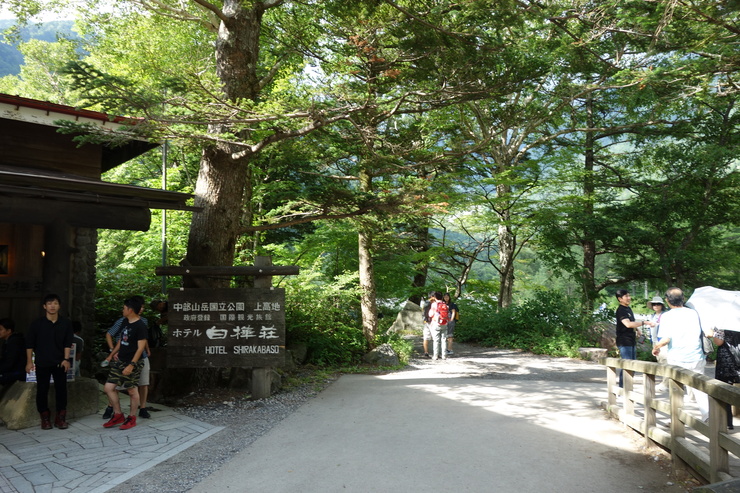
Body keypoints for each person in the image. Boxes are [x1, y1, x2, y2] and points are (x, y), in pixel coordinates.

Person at [651, 287, 709, 422]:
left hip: (677, 358)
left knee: (676, 389)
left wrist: (656, 347)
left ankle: (676, 419)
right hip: (696, 357)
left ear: (667, 300)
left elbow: (666, 339)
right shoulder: (694, 313)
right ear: (683, 299)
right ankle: (708, 416)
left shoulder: (666, 316)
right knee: (699, 388)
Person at [25, 294, 74, 430]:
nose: (52, 306)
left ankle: (60, 417)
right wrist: (29, 362)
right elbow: (29, 344)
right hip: (42, 362)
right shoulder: (37, 324)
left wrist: (66, 359)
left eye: (55, 303)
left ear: (59, 306)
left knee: (61, 389)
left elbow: (67, 343)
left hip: (60, 362)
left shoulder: (65, 323)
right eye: (49, 303)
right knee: (42, 389)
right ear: (44, 306)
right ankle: (45, 417)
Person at [103, 295, 152, 419]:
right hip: (122, 359)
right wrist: (111, 354)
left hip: (135, 360)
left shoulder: (141, 323)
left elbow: (141, 345)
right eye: (140, 306)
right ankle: (116, 412)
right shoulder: (124, 321)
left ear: (130, 309)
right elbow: (118, 338)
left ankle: (134, 415)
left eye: (142, 307)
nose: (141, 309)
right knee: (111, 387)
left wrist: (132, 364)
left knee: (135, 387)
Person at [712, 327, 740, 430]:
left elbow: (719, 342)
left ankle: (727, 422)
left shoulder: (723, 324)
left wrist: (714, 333)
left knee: (725, 391)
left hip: (727, 360)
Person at [615, 289, 644, 387]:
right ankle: (622, 389)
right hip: (624, 341)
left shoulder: (628, 309)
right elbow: (627, 324)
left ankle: (627, 388)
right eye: (626, 296)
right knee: (627, 366)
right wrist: (644, 323)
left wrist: (638, 330)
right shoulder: (621, 310)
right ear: (620, 299)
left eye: (629, 295)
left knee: (632, 366)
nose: (629, 298)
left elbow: (632, 322)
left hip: (631, 340)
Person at [644, 295, 667, 391]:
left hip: (662, 341)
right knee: (660, 361)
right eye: (654, 304)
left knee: (665, 361)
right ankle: (664, 381)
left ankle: (665, 383)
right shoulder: (652, 316)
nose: (656, 306)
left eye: (658, 304)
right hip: (654, 341)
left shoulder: (665, 315)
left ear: (662, 305)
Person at [0, 318, 26, 385]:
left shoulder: (15, 342)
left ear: (8, 331)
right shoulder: (7, 342)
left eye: (0, 329)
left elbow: (10, 362)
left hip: (17, 373)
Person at [428, 291, 449, 361]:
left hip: (436, 324)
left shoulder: (434, 304)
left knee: (436, 340)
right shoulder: (444, 304)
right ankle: (444, 356)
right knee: (444, 340)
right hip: (444, 323)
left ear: (435, 297)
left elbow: (430, 314)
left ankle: (435, 356)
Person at [421, 293, 434, 359]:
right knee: (428, 337)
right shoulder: (429, 302)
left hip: (428, 321)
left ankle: (427, 352)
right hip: (429, 322)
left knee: (427, 337)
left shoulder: (426, 303)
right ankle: (427, 352)